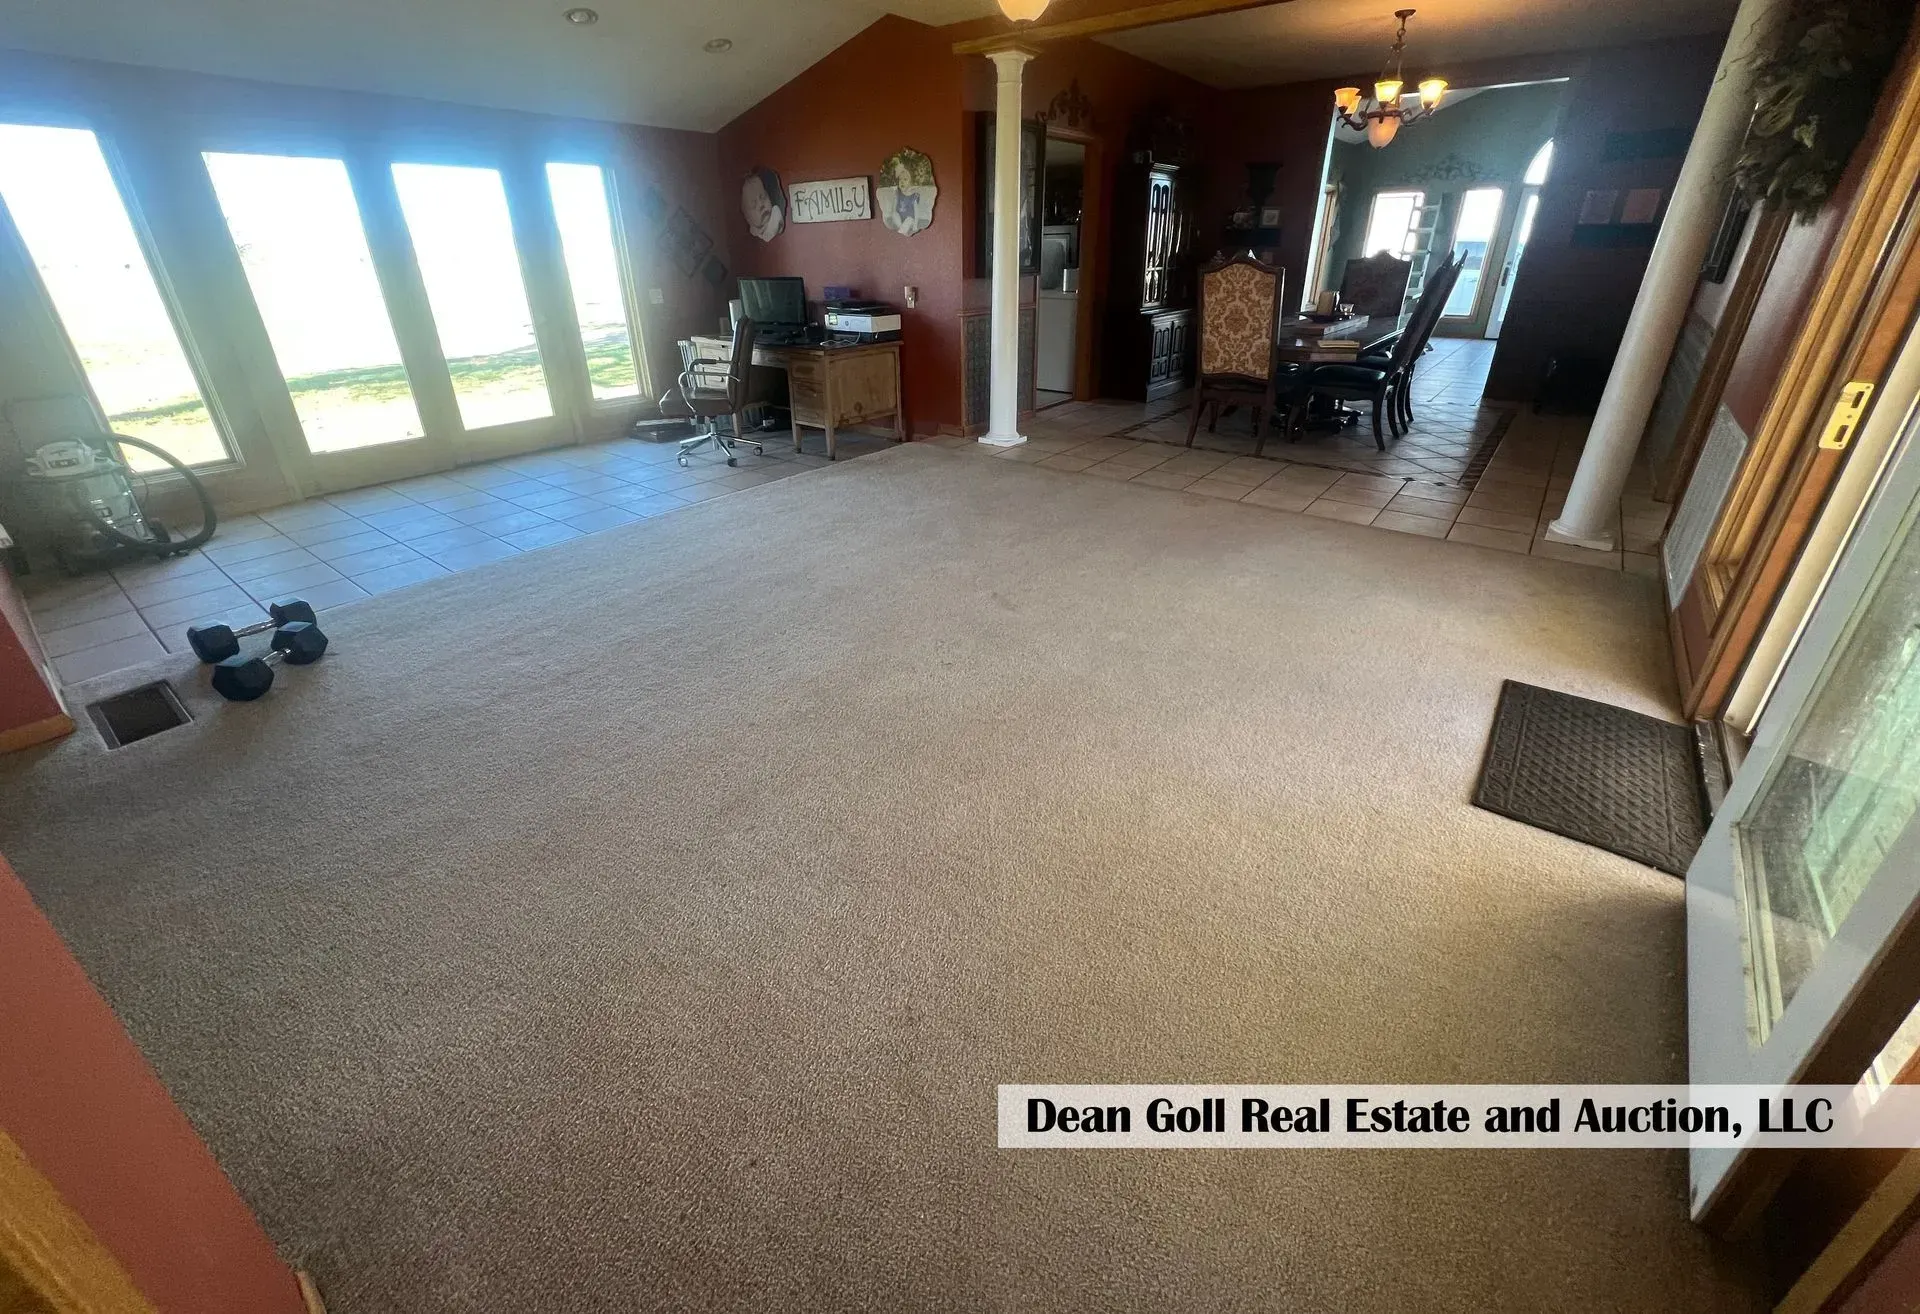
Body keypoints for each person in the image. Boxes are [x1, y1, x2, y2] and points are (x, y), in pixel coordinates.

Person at [879, 149, 937, 238]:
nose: (902, 182)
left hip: (910, 218)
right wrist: (893, 213)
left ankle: (903, 228)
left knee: (909, 220)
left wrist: (916, 223)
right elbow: (894, 207)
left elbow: (916, 210)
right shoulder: (897, 193)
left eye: (905, 180)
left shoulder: (914, 195)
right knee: (895, 215)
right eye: (900, 180)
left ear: (910, 182)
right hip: (899, 218)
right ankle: (902, 227)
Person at [741, 167, 785, 242]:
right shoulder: (753, 232)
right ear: (746, 216)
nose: (761, 205)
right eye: (753, 204)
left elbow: (769, 236)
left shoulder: (776, 216)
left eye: (763, 197)